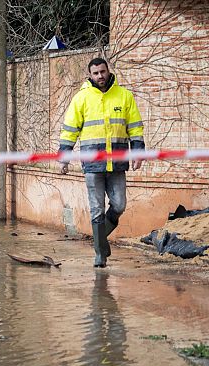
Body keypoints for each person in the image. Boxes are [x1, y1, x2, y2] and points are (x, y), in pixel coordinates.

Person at [58, 57, 145, 267]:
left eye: (103, 72)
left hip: (117, 163)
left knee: (120, 205)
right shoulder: (81, 98)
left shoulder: (124, 96)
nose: (100, 76)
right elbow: (70, 129)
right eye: (96, 73)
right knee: (96, 209)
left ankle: (100, 242)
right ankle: (100, 255)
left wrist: (138, 153)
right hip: (92, 164)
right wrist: (64, 157)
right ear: (90, 75)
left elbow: (135, 128)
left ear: (108, 71)